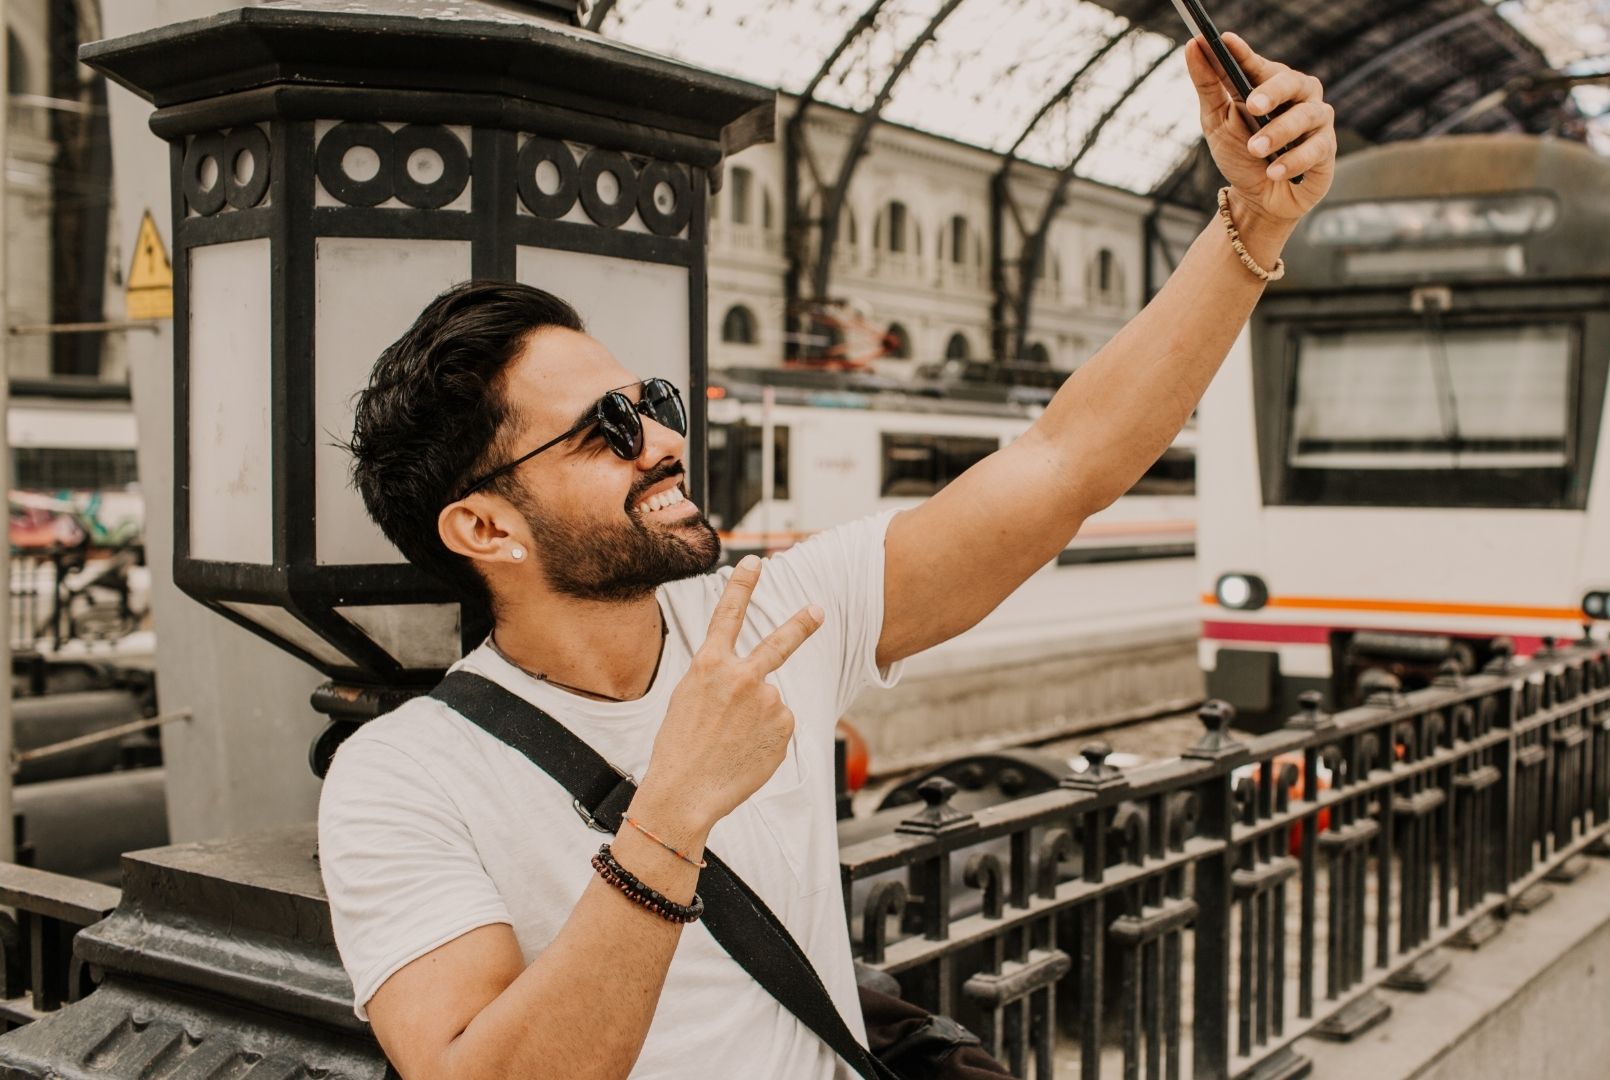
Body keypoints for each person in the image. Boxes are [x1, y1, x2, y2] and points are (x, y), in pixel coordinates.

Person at [318, 33, 1335, 1080]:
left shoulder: (776, 619)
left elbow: (1064, 461)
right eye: (605, 430)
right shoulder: (403, 779)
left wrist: (1254, 220)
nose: (662, 439)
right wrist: (672, 810)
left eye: (650, 402)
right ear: (487, 529)